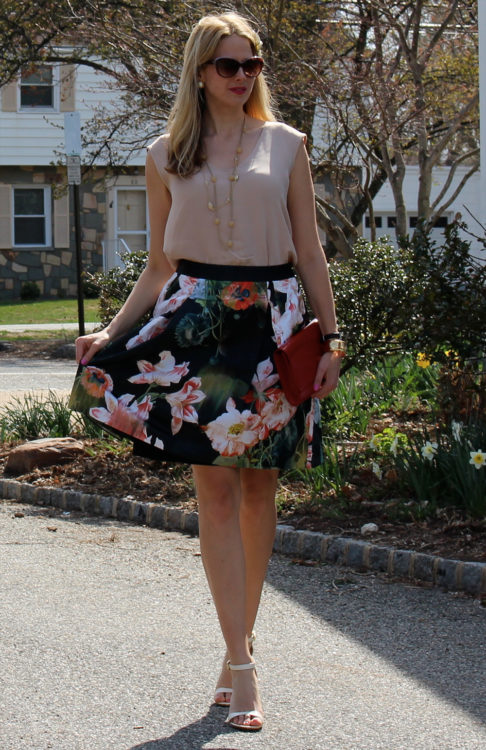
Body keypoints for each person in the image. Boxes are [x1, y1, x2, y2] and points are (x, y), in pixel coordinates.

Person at [70, 11, 344, 732]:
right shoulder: (165, 155)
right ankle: (243, 666)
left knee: (259, 495)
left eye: (252, 64)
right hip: (193, 325)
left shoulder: (287, 144)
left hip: (273, 325)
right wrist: (112, 332)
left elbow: (311, 253)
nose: (243, 76)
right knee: (215, 498)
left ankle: (235, 650)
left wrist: (335, 339)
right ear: (200, 72)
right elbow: (160, 265)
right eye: (229, 65)